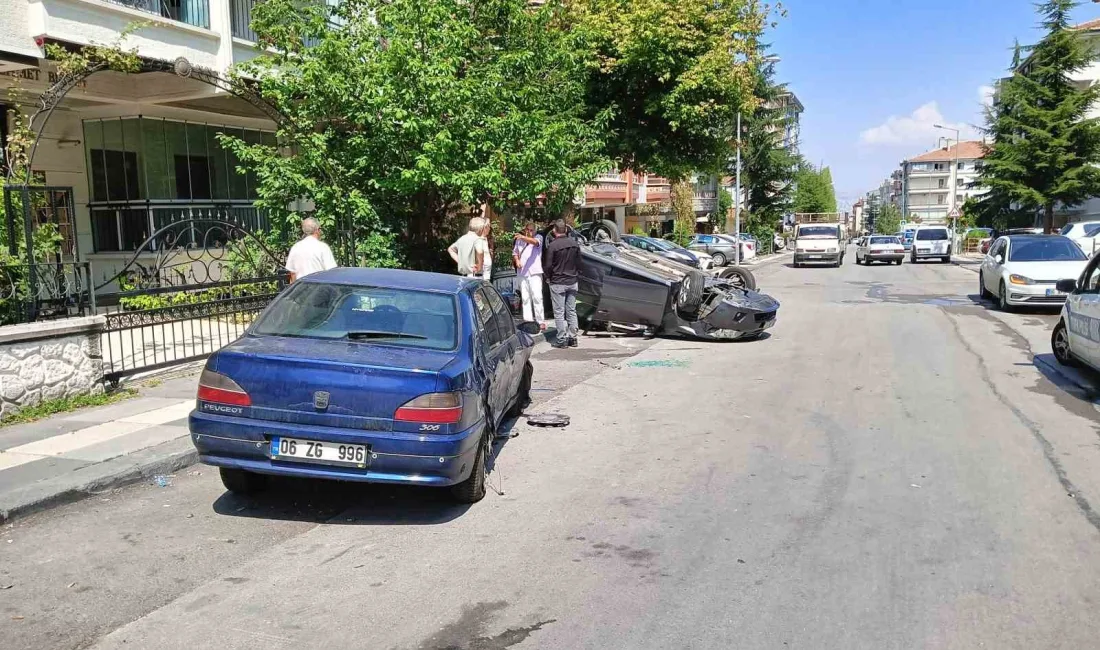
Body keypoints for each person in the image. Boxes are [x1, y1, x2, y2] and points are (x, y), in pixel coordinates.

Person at [544, 219, 580, 348]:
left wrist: (548, 277)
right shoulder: (574, 244)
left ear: (554, 230)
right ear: (565, 229)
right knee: (571, 310)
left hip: (558, 281)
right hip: (572, 280)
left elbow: (548, 265)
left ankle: (561, 339)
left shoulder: (553, 246)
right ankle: (573, 337)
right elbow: (579, 263)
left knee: (559, 312)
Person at [512, 221, 545, 329]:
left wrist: (522, 237)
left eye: (531, 230)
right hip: (522, 272)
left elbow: (535, 242)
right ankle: (528, 320)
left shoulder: (538, 237)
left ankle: (540, 321)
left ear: (535, 231)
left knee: (537, 297)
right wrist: (517, 261)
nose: (529, 232)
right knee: (525, 297)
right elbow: (515, 253)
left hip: (534, 272)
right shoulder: (519, 240)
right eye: (528, 230)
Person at [285, 217, 337, 282]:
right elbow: (331, 272)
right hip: (318, 287)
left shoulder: (296, 247)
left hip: (301, 288)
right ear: (317, 230)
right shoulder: (322, 247)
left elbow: (293, 273)